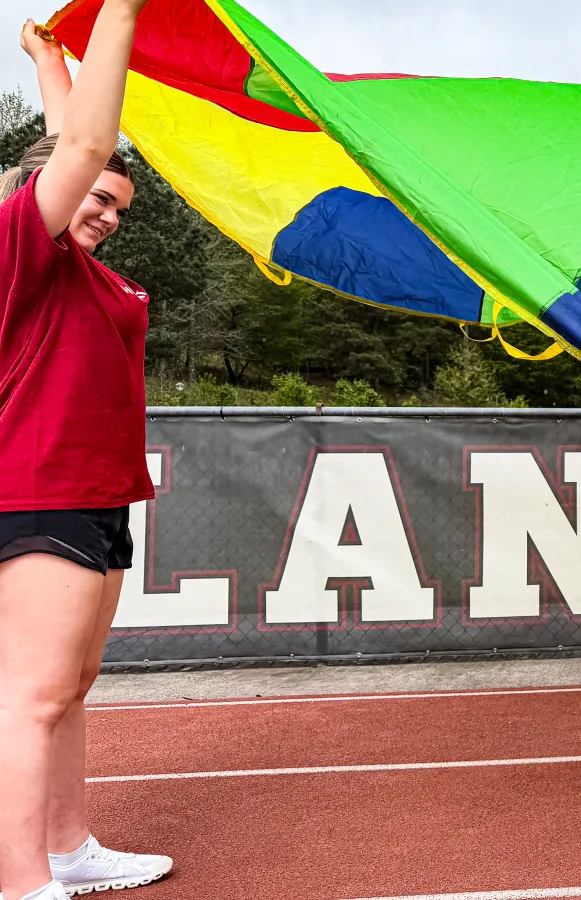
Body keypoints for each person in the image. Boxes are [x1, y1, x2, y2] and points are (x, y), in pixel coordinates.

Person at [1, 7, 174, 900]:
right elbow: (81, 146)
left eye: (118, 206)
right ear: (47, 188)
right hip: (34, 489)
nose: (106, 214)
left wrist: (44, 56)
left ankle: (68, 847)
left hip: (100, 492)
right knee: (31, 696)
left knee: (71, 686)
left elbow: (76, 142)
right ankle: (21, 880)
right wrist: (124, 9)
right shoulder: (18, 246)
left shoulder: (89, 271)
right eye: (95, 199)